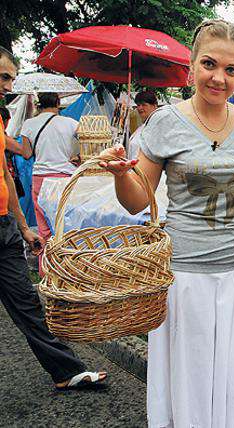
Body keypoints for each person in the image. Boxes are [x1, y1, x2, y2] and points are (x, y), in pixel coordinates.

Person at [99, 19, 234, 427]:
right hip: (186, 276)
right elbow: (137, 201)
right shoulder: (165, 122)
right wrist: (119, 173)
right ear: (191, 65)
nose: (219, 78)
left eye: (231, 69)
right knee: (195, 379)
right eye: (209, 64)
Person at [0, 46, 107, 390]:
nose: (8, 85)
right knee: (60, 234)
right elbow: (77, 154)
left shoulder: (14, 121)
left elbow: (5, 174)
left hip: (13, 215)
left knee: (28, 301)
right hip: (63, 180)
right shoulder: (70, 123)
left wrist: (20, 226)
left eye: (11, 79)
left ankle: (65, 370)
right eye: (4, 77)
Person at [19, 92, 79, 271]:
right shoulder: (71, 123)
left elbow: (26, 154)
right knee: (65, 226)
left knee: (44, 229)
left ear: (39, 104)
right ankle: (68, 270)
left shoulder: (28, 124)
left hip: (40, 179)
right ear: (58, 103)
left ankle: (46, 272)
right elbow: (85, 144)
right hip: (64, 179)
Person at [128, 90, 159, 159]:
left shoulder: (159, 126)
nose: (139, 108)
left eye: (144, 104)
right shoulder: (142, 127)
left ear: (154, 106)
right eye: (138, 105)